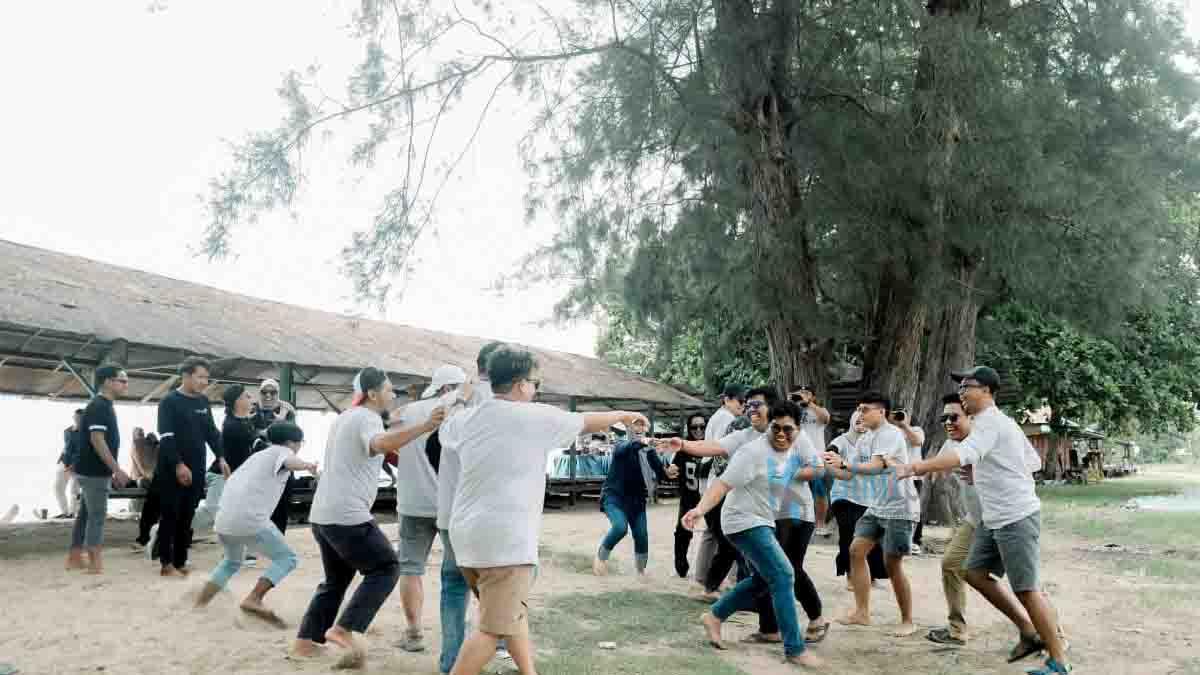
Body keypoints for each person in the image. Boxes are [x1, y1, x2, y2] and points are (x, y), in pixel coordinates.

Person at [442, 346, 648, 675]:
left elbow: (446, 428)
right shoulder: (534, 416)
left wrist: (459, 399)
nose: (536, 389)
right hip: (504, 543)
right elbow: (586, 422)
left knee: (511, 613)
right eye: (535, 383)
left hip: (466, 537)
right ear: (521, 384)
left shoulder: (468, 418)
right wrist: (623, 415)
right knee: (492, 629)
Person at [896, 366, 1072, 675]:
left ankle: (1059, 661)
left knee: (1027, 589)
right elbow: (1028, 461)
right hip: (993, 519)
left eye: (968, 386)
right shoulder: (991, 423)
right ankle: (1029, 631)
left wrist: (915, 467)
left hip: (1016, 516)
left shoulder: (991, 422)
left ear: (987, 391)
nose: (962, 392)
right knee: (973, 572)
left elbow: (966, 454)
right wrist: (984, 469)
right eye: (960, 387)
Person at [293, 366, 446, 669]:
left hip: (323, 514)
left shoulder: (346, 417)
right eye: (389, 390)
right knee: (387, 567)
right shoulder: (367, 417)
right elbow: (380, 444)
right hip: (347, 515)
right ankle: (345, 629)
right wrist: (425, 425)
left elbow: (378, 446)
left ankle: (305, 642)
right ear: (373, 394)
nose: (393, 395)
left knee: (336, 580)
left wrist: (398, 430)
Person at [680, 400, 823, 668]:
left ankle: (714, 616)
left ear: (798, 430)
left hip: (764, 520)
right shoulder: (752, 452)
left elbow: (817, 467)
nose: (781, 434)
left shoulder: (796, 448)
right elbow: (722, 485)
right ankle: (794, 648)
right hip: (741, 520)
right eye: (775, 428)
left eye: (787, 429)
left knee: (764, 579)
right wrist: (699, 510)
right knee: (784, 574)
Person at [195, 422, 316, 627]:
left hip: (224, 520)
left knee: (231, 562)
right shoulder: (282, 452)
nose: (299, 447)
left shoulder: (257, 457)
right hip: (249, 520)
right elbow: (289, 461)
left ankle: (200, 604)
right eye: (300, 443)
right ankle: (254, 598)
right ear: (291, 442)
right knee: (287, 558)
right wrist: (308, 466)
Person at [822, 391, 920, 637]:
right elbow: (848, 474)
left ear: (881, 412)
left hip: (899, 507)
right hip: (876, 506)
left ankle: (908, 620)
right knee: (856, 551)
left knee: (892, 564)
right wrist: (828, 464)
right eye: (859, 409)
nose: (860, 413)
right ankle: (862, 613)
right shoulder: (865, 438)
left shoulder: (891, 434)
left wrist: (845, 463)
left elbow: (875, 467)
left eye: (865, 409)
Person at [436, 341, 503, 675]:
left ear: (478, 367)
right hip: (487, 513)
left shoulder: (450, 401)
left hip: (449, 511)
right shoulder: (506, 404)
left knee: (453, 584)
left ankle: (450, 661)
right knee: (498, 584)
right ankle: (499, 643)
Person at [393, 363, 467, 653]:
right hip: (452, 505)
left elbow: (389, 443)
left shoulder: (408, 411)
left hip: (413, 503)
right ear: (449, 388)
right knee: (461, 575)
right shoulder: (464, 411)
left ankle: (414, 634)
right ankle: (472, 637)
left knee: (411, 569)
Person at [155, 357, 229, 578]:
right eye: (200, 377)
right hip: (171, 468)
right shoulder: (169, 401)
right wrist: (178, 464)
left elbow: (211, 433)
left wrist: (221, 457)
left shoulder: (203, 402)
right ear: (186, 376)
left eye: (207, 378)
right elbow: (166, 437)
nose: (205, 382)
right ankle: (166, 563)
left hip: (197, 467)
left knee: (187, 515)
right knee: (171, 514)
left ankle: (180, 560)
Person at [65, 365, 131, 574]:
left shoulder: (103, 405)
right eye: (122, 381)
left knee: (86, 514)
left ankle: (75, 557)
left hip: (91, 469)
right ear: (108, 382)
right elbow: (97, 439)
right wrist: (117, 469)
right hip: (94, 471)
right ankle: (94, 562)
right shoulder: (100, 406)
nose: (126, 385)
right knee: (97, 515)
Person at [593, 418, 679, 576]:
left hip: (637, 500)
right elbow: (628, 447)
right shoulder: (621, 444)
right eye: (635, 424)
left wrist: (669, 472)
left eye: (642, 424)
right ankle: (601, 557)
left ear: (646, 428)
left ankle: (640, 572)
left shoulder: (649, 451)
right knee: (620, 527)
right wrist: (644, 441)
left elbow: (661, 473)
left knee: (641, 535)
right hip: (614, 497)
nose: (639, 427)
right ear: (629, 428)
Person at [925, 393, 977, 646]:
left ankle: (1052, 635)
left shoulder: (986, 441)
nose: (947, 422)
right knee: (951, 564)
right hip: (975, 519)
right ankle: (957, 629)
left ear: (971, 418)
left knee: (1024, 582)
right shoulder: (951, 444)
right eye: (944, 418)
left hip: (1006, 519)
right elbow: (936, 467)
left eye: (954, 417)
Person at [692, 384, 745, 590]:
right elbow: (723, 451)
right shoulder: (726, 419)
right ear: (727, 399)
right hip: (718, 479)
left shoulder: (719, 416)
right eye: (740, 401)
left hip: (711, 478)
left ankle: (703, 577)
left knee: (712, 533)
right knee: (727, 534)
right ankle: (720, 579)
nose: (743, 405)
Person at [827, 413, 889, 588]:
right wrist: (837, 467)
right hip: (844, 496)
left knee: (871, 538)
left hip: (869, 497)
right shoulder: (841, 441)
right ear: (851, 420)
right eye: (858, 419)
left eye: (864, 420)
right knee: (848, 535)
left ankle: (871, 576)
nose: (861, 423)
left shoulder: (875, 442)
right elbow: (830, 453)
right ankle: (850, 575)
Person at [192, 385, 258, 535]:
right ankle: (166, 529)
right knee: (212, 512)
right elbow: (255, 442)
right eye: (247, 396)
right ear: (237, 401)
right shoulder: (233, 425)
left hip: (232, 477)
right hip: (220, 475)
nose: (251, 399)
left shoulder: (244, 422)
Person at [254, 378, 298, 534]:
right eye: (264, 392)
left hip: (282, 468)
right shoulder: (253, 410)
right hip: (260, 469)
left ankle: (278, 538)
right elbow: (250, 437)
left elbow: (292, 440)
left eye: (272, 392)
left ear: (278, 393)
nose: (268, 396)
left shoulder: (287, 410)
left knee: (281, 510)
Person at [789, 385, 832, 536]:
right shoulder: (791, 410)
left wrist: (808, 403)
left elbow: (825, 418)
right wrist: (792, 402)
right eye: (799, 393)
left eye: (806, 393)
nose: (802, 395)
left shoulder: (819, 410)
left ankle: (820, 524)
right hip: (794, 457)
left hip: (816, 457)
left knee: (820, 490)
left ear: (813, 396)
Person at [671, 413, 707, 578]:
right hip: (689, 497)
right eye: (694, 427)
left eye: (702, 426)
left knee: (716, 533)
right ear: (689, 428)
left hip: (709, 498)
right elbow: (673, 472)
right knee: (682, 531)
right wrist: (670, 470)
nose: (698, 430)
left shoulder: (711, 445)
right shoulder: (683, 449)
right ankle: (681, 565)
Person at [889, 408, 926, 554]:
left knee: (914, 508)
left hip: (914, 476)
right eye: (896, 413)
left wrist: (904, 425)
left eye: (902, 413)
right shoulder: (890, 432)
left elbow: (917, 442)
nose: (899, 416)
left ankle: (915, 541)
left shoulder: (916, 430)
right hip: (896, 476)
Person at [133, 433, 162, 553]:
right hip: (153, 479)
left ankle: (145, 538)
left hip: (160, 478)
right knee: (153, 501)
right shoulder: (139, 446)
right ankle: (145, 538)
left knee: (154, 501)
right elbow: (145, 470)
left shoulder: (157, 448)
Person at [53, 409, 83, 519]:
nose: (77, 419)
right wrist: (63, 460)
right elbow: (67, 447)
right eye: (76, 417)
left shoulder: (87, 433)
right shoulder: (67, 431)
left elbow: (84, 451)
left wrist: (74, 464)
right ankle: (65, 512)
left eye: (80, 418)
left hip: (78, 464)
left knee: (74, 490)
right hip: (64, 462)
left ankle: (72, 513)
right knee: (57, 487)